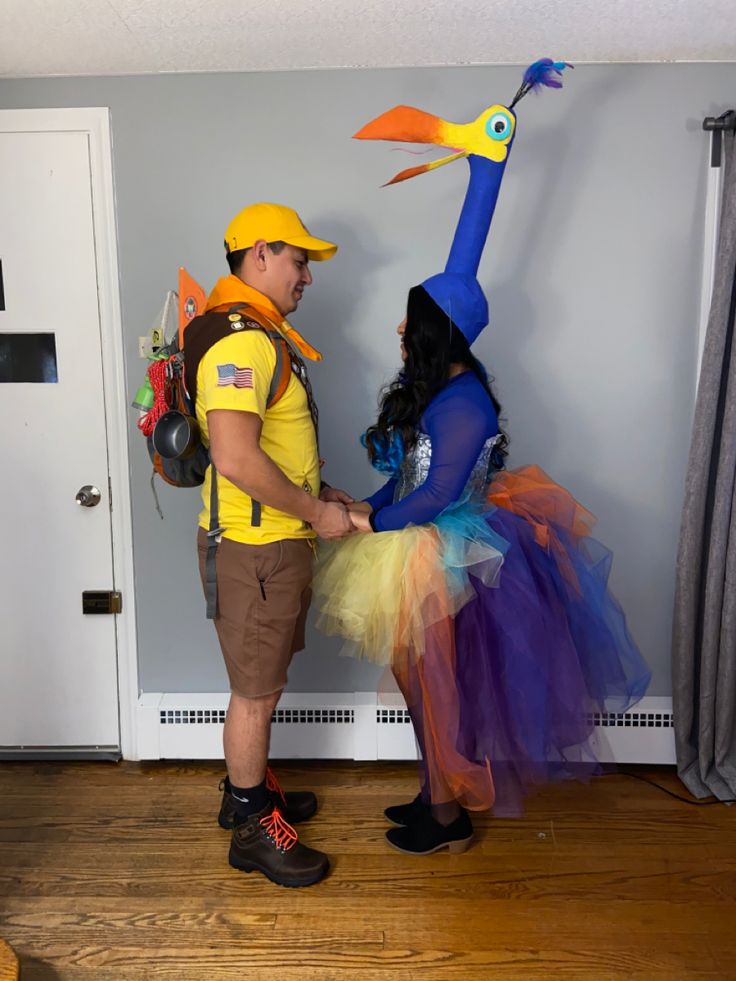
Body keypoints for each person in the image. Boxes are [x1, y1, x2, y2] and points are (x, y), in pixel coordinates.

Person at [313, 62, 651, 854]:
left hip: (452, 553)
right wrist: (488, 166)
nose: (400, 333)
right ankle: (435, 792)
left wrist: (367, 517)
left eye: (409, 323)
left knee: (442, 693)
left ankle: (448, 814)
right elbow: (405, 478)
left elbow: (429, 496)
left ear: (435, 333)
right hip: (414, 542)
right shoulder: (437, 387)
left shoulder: (463, 403)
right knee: (417, 686)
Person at [186, 202, 354, 887]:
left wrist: (325, 491)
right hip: (258, 548)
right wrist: (314, 510)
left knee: (263, 684)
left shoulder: (259, 334)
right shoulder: (240, 341)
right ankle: (255, 828)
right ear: (259, 253)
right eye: (298, 259)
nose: (306, 275)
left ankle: (244, 793)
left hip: (273, 542)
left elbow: (273, 446)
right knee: (253, 694)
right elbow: (234, 456)